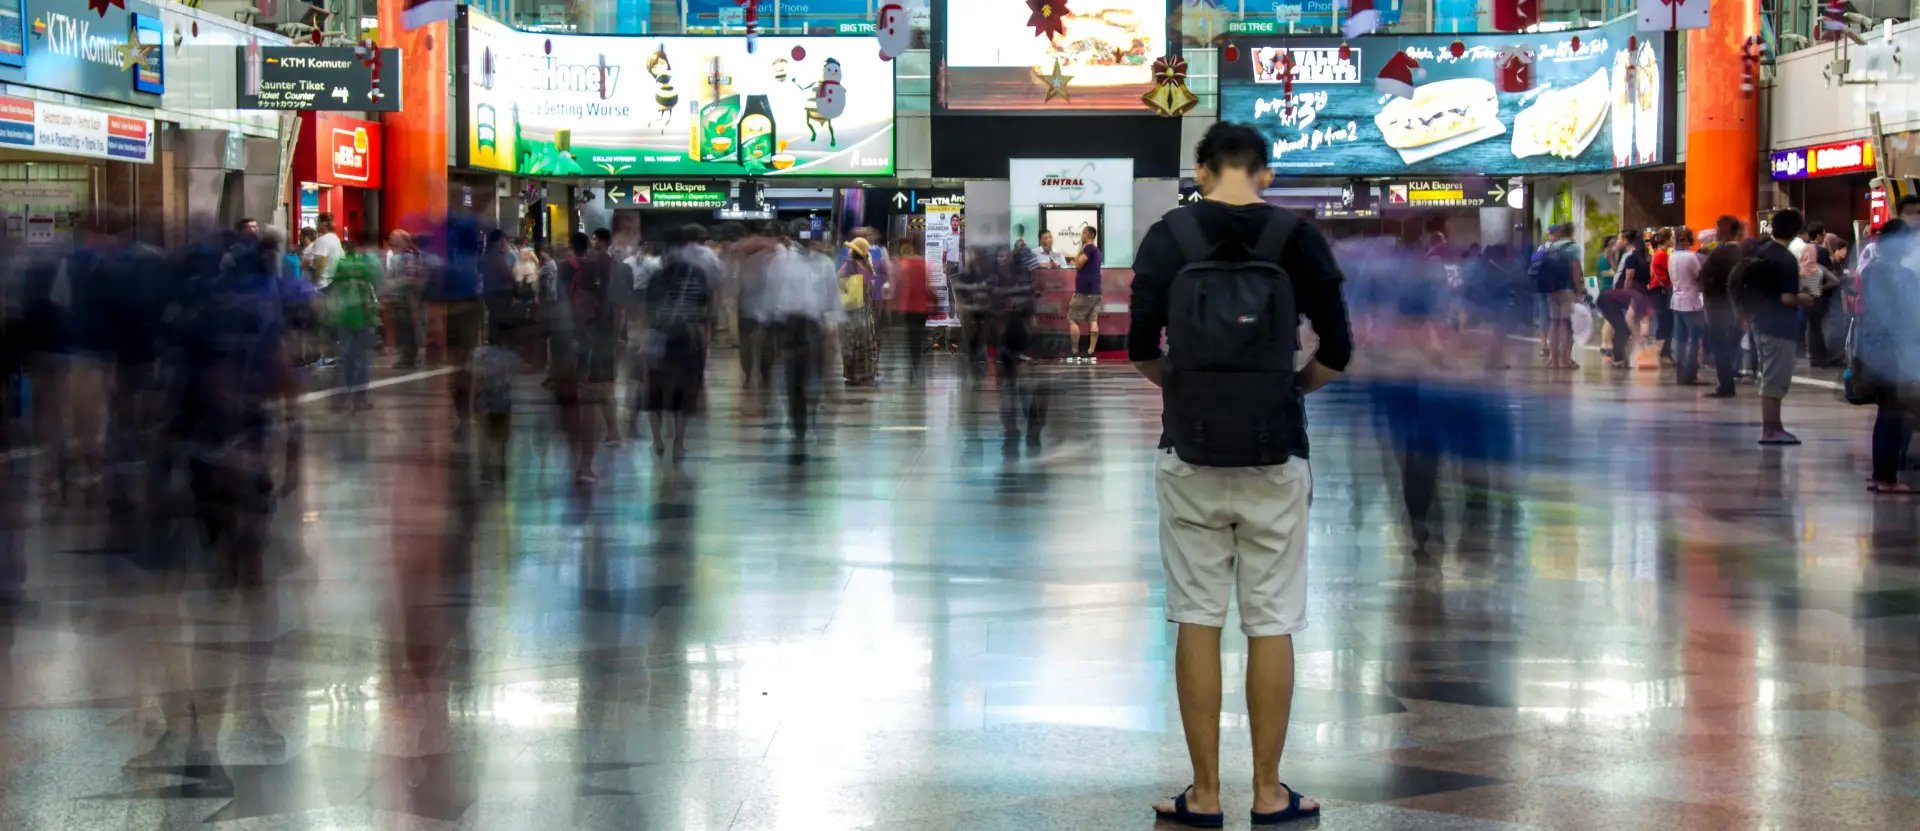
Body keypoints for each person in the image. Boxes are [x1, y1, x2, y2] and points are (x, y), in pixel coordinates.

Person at [1129, 122, 1349, 827]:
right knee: (1272, 618)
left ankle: (1203, 793)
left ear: (1200, 168)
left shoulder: (1169, 235)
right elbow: (1338, 349)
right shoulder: (1298, 236)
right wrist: (1284, 392)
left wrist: (1190, 395)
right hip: (1276, 454)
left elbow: (1137, 348)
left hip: (1188, 454)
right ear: (1266, 173)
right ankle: (1267, 789)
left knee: (1197, 615)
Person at [638, 224, 720, 460]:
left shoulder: (656, 276)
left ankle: (657, 440)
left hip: (660, 337)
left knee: (655, 392)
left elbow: (648, 310)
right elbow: (705, 306)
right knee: (683, 393)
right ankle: (679, 441)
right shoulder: (696, 273)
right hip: (687, 337)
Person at [1855, 220, 1918, 492]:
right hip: (1895, 352)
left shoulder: (1871, 270)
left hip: (1873, 350)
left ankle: (1881, 474)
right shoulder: (1903, 276)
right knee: (1894, 414)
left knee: (1885, 413)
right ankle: (1886, 478)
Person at [1746, 208, 1816, 444]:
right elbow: (1787, 297)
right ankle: (1771, 428)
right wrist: (1805, 299)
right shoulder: (1784, 258)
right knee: (1776, 378)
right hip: (1778, 325)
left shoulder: (1762, 250)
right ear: (1797, 230)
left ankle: (1773, 427)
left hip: (1760, 321)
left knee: (1769, 375)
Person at [329, 233, 382, 410]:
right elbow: (378, 285)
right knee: (364, 358)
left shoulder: (340, 265)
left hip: (345, 316)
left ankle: (345, 395)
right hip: (366, 315)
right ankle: (360, 398)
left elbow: (334, 290)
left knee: (346, 357)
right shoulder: (368, 263)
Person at [1700, 217, 1749, 397]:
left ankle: (1726, 385)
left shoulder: (1719, 253)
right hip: (1736, 306)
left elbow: (1705, 278)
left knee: (1719, 346)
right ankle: (1729, 380)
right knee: (1731, 345)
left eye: (1719, 229)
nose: (1717, 232)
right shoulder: (1742, 253)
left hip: (1718, 307)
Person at [471, 321, 524, 484]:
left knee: (483, 437)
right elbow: (515, 376)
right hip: (503, 401)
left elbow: (475, 378)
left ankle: (485, 469)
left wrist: (472, 400)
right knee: (501, 436)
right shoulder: (509, 355)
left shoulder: (479, 354)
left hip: (484, 401)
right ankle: (501, 463)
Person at [1530, 223, 1583, 370]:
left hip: (1551, 290)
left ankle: (1553, 360)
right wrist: (1579, 290)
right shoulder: (1572, 247)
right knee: (1566, 324)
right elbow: (1575, 269)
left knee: (1554, 323)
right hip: (1566, 289)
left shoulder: (1550, 247)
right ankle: (1565, 360)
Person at [837, 237, 880, 386]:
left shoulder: (849, 265)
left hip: (853, 311)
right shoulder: (867, 265)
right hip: (864, 312)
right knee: (864, 343)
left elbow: (839, 285)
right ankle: (866, 374)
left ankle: (855, 375)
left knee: (852, 344)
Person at [1667, 227, 1706, 385]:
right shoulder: (1691, 257)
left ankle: (1680, 374)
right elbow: (1699, 277)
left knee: (1680, 339)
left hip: (1676, 302)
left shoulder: (1672, 257)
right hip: (1692, 303)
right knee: (1694, 339)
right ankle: (1691, 374)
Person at [891, 239, 933, 382]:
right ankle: (917, 364)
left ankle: (912, 366)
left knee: (911, 338)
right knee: (919, 337)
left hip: (909, 308)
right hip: (923, 308)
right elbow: (928, 286)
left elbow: (900, 287)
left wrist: (896, 305)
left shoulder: (904, 265)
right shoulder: (924, 264)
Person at [382, 230, 424, 369]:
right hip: (401, 298)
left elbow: (410, 278)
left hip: (405, 299)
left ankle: (407, 357)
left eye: (394, 237)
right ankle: (407, 356)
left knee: (405, 328)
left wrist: (390, 285)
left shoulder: (406, 257)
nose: (391, 239)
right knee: (403, 328)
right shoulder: (400, 257)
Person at [1067, 226, 1103, 363]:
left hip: (1085, 291)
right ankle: (1090, 352)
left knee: (1072, 318)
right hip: (1095, 291)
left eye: (1083, 232)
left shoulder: (1088, 248)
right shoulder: (1097, 250)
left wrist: (1076, 258)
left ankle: (1075, 352)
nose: (1081, 235)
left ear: (1089, 234)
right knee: (1092, 320)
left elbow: (1079, 264)